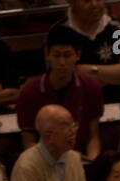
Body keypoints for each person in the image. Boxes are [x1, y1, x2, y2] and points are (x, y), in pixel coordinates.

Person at [15, 24, 104, 159]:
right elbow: (29, 142)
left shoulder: (92, 87)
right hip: (44, 163)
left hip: (82, 161)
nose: (61, 62)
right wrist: (60, 160)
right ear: (47, 55)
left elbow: (93, 138)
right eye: (56, 55)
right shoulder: (29, 92)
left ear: (78, 55)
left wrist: (92, 163)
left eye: (67, 55)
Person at [52, 0, 120, 89]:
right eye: (87, 1)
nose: (94, 5)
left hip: (114, 100)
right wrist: (111, 76)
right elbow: (58, 79)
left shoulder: (117, 31)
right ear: (72, 3)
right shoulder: (59, 32)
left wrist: (90, 70)